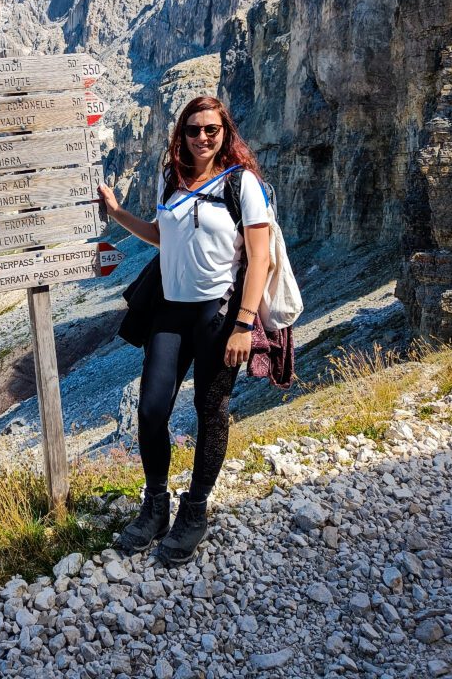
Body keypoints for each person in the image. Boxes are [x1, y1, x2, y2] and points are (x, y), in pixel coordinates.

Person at [97, 96, 270, 564]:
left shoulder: (243, 184)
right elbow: (162, 234)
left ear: (224, 132)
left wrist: (243, 325)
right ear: (182, 134)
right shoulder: (170, 176)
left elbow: (261, 258)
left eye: (211, 129)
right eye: (193, 130)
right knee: (152, 409)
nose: (202, 138)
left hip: (217, 315)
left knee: (210, 410)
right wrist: (116, 214)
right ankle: (155, 506)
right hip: (169, 312)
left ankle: (195, 510)